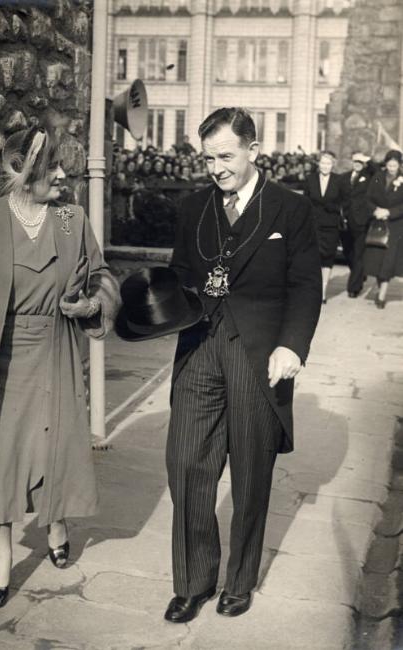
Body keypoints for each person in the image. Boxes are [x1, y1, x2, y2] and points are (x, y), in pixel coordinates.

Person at [0, 125, 119, 608]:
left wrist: (92, 303)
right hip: (1, 356)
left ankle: (55, 520)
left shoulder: (72, 219)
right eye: (50, 168)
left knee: (55, 446)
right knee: (5, 454)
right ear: (21, 172)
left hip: (55, 348)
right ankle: (3, 552)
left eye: (61, 166)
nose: (62, 175)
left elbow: (102, 276)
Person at [164, 107, 321, 623]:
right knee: (187, 463)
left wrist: (292, 347)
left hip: (260, 355)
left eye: (226, 156)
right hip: (200, 348)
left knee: (252, 472)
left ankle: (239, 580)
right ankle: (192, 581)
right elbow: (179, 274)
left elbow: (305, 286)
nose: (216, 168)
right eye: (208, 157)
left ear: (254, 151)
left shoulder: (290, 209)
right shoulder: (193, 208)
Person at [364, 149, 403, 308]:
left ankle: (382, 296)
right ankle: (380, 287)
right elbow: (368, 198)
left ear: (400, 165)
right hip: (378, 224)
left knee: (388, 260)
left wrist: (390, 212)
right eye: (389, 164)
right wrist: (375, 210)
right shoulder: (378, 177)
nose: (392, 167)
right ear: (386, 164)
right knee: (377, 259)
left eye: (395, 165)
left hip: (395, 225)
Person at [303, 151, 344, 303]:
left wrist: (333, 207)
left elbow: (344, 201)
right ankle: (312, 290)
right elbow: (304, 202)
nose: (325, 166)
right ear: (318, 164)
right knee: (313, 258)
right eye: (323, 163)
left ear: (333, 165)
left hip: (331, 226)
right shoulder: (310, 179)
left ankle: (323, 293)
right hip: (313, 225)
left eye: (328, 163)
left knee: (327, 259)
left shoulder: (339, 180)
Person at [339, 152, 373, 297]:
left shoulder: (369, 177)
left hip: (361, 221)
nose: (357, 164)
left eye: (360, 162)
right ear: (352, 162)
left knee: (358, 253)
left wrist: (368, 160)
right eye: (355, 161)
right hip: (344, 221)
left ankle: (354, 288)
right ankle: (360, 272)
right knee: (348, 251)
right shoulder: (344, 177)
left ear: (364, 163)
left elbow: (376, 170)